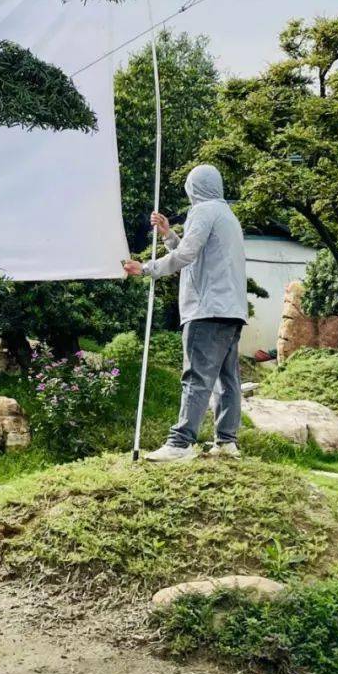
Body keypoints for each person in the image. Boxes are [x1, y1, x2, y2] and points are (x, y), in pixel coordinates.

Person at [123, 162, 248, 462]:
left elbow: (187, 256)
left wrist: (146, 269)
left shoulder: (202, 212)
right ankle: (227, 442)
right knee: (226, 379)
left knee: (196, 376)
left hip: (206, 310)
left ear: (194, 188)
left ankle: (180, 443)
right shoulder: (227, 216)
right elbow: (196, 254)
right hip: (231, 311)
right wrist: (168, 235)